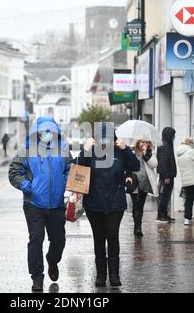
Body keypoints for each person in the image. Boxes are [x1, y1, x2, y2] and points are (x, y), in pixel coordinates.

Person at [8, 117, 72, 292]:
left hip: (57, 205)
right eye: (43, 131)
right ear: (36, 132)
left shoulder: (63, 149)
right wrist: (29, 187)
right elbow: (14, 172)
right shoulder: (26, 150)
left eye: (50, 131)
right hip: (33, 204)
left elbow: (70, 169)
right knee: (36, 240)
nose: (46, 135)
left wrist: (65, 184)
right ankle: (37, 277)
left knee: (58, 241)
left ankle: (52, 260)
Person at [77, 122, 139, 287]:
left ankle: (114, 275)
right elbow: (78, 167)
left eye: (108, 137)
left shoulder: (120, 152)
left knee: (112, 236)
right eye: (101, 137)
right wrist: (85, 149)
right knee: (99, 239)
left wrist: (126, 148)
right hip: (94, 203)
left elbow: (135, 166)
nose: (104, 140)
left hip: (115, 203)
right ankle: (100, 275)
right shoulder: (91, 152)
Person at [126, 134, 158, 237]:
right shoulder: (131, 152)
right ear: (138, 142)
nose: (144, 144)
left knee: (140, 205)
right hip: (134, 181)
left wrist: (145, 154)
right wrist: (128, 176)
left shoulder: (150, 153)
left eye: (146, 142)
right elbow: (127, 165)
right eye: (142, 142)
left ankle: (138, 226)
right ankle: (137, 227)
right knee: (136, 205)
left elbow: (154, 164)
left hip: (145, 182)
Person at [176, 137, 194, 225]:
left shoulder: (179, 154)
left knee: (188, 200)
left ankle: (187, 219)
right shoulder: (192, 151)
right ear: (190, 143)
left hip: (186, 181)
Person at [156, 127, 177, 224]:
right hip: (166, 176)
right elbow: (163, 162)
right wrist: (167, 176)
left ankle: (164, 214)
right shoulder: (164, 145)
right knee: (164, 196)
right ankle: (160, 215)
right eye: (173, 135)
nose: (174, 137)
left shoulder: (166, 144)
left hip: (168, 175)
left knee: (166, 196)